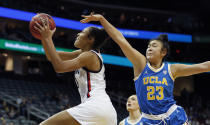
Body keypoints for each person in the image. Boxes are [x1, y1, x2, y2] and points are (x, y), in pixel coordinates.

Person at [81, 13, 210, 124]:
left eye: (154, 46)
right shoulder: (141, 64)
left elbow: (203, 66)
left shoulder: (172, 69)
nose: (149, 48)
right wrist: (102, 20)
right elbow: (121, 40)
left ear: (163, 52)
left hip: (172, 116)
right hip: (149, 120)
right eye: (148, 46)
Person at [34, 18, 117, 125]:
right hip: (107, 112)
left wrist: (48, 38)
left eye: (82, 32)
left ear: (90, 39)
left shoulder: (89, 56)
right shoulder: (83, 53)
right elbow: (51, 56)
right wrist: (44, 38)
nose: (78, 34)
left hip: (95, 106)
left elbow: (59, 67)